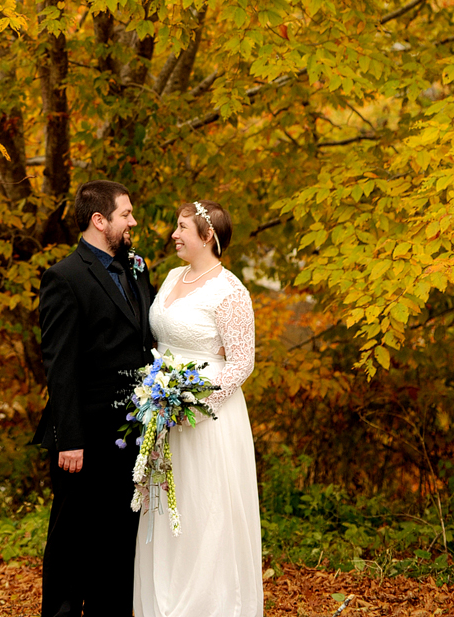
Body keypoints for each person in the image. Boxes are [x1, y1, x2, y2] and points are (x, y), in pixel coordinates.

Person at [134, 199, 263, 617]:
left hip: (208, 420)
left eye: (182, 227)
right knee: (168, 509)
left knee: (206, 509)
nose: (174, 234)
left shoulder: (230, 291)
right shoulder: (172, 276)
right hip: (163, 411)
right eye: (176, 226)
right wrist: (158, 394)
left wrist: (193, 402)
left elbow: (241, 362)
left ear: (208, 237)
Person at [35, 179, 155, 617]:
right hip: (82, 438)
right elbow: (59, 364)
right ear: (99, 220)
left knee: (120, 541)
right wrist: (69, 438)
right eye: (126, 214)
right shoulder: (64, 278)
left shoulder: (137, 269)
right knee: (72, 542)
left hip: (133, 434)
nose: (133, 221)